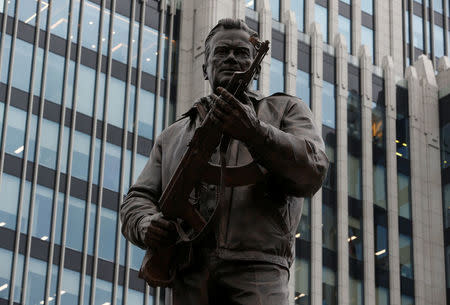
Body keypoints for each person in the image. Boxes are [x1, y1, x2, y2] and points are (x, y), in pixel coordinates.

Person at [120, 18, 328, 305]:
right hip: (190, 275)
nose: (232, 58)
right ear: (205, 67)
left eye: (242, 52)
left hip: (258, 271)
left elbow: (313, 169)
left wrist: (255, 133)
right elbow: (138, 198)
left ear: (254, 66)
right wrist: (146, 223)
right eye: (222, 51)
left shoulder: (285, 110)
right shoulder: (172, 136)